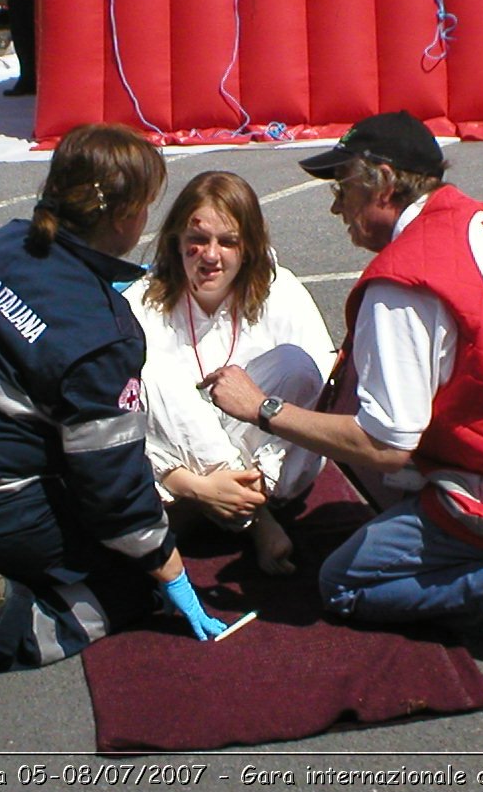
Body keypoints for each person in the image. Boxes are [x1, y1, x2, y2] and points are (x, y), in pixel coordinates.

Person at [204, 112, 483, 676]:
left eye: (342, 187)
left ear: (384, 184)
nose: (334, 207)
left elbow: (386, 446)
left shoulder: (403, 282)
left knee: (344, 581)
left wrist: (263, 408)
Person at [0, 124, 228, 685]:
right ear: (124, 214)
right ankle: (1, 627)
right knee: (125, 580)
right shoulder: (99, 331)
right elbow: (114, 491)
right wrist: (169, 570)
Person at [125, 171, 336, 576]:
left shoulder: (281, 290)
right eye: (198, 240)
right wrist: (197, 485)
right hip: (179, 470)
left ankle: (239, 502)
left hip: (267, 472)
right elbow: (126, 412)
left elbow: (321, 390)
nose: (210, 255)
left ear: (250, 245)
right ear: (176, 241)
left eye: (228, 241)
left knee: (298, 364)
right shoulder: (141, 302)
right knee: (146, 371)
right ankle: (255, 520)